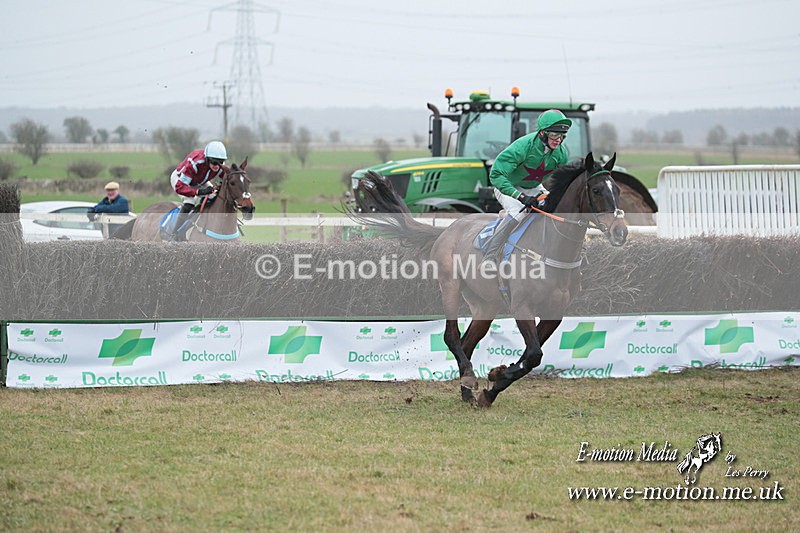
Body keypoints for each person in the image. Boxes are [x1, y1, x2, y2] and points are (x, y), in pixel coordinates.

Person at [482, 109, 572, 265]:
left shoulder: (561, 154)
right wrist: (520, 197)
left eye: (562, 136)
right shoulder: (523, 147)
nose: (558, 140)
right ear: (542, 133)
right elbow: (496, 175)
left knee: (555, 210)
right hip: (507, 184)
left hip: (533, 186)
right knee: (518, 213)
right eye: (554, 135)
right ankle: (490, 255)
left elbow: (562, 182)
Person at [169, 140, 227, 241]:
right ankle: (174, 233)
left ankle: (203, 220)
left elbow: (225, 180)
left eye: (220, 162)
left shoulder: (219, 166)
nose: (217, 166)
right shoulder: (195, 162)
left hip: (200, 179)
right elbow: (180, 187)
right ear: (207, 159)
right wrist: (199, 192)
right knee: (190, 201)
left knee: (215, 196)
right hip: (181, 180)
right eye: (214, 162)